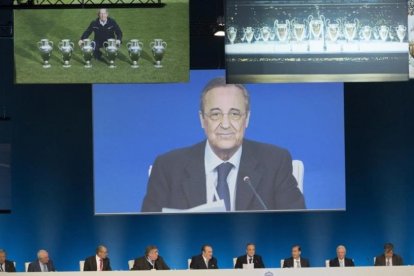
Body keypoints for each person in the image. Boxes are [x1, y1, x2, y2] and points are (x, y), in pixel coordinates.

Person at [141, 77, 305, 212]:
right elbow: (148, 232)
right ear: (202, 120)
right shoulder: (168, 167)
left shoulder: (275, 162)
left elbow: (296, 225)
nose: (225, 124)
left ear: (246, 118)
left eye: (234, 114)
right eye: (215, 114)